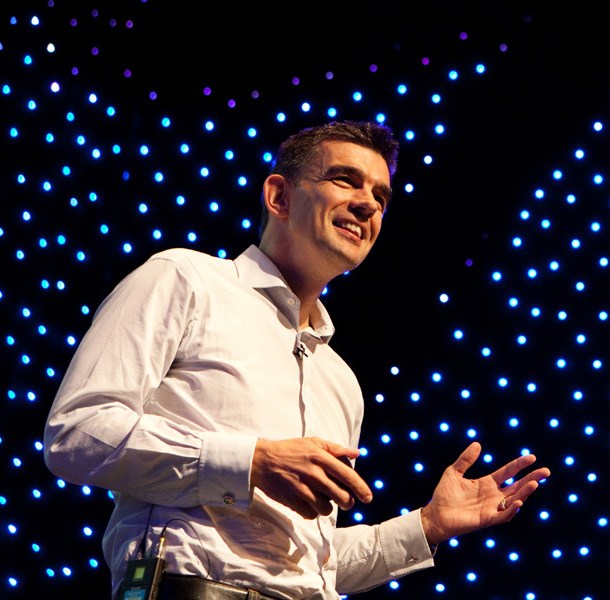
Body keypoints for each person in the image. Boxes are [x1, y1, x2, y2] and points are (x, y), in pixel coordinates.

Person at [43, 120, 551, 600]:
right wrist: (251, 460)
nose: (368, 205)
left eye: (380, 196)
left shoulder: (341, 381)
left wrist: (425, 527)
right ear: (279, 196)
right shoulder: (185, 280)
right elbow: (77, 433)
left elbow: (311, 565)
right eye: (345, 180)